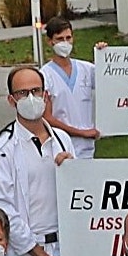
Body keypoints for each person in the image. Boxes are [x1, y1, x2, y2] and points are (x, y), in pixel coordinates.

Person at [0, 65, 81, 256]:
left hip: (67, 247)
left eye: (36, 91)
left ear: (46, 95)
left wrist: (73, 170)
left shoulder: (63, 141)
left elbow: (82, 195)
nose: (31, 98)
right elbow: (4, 211)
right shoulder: (2, 150)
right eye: (22, 93)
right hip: (28, 254)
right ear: (11, 100)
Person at [40, 18, 101, 160]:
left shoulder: (87, 69)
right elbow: (47, 117)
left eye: (68, 38)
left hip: (87, 148)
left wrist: (104, 55)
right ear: (50, 42)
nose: (65, 43)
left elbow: (112, 83)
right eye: (60, 39)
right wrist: (80, 132)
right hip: (60, 146)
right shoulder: (45, 76)